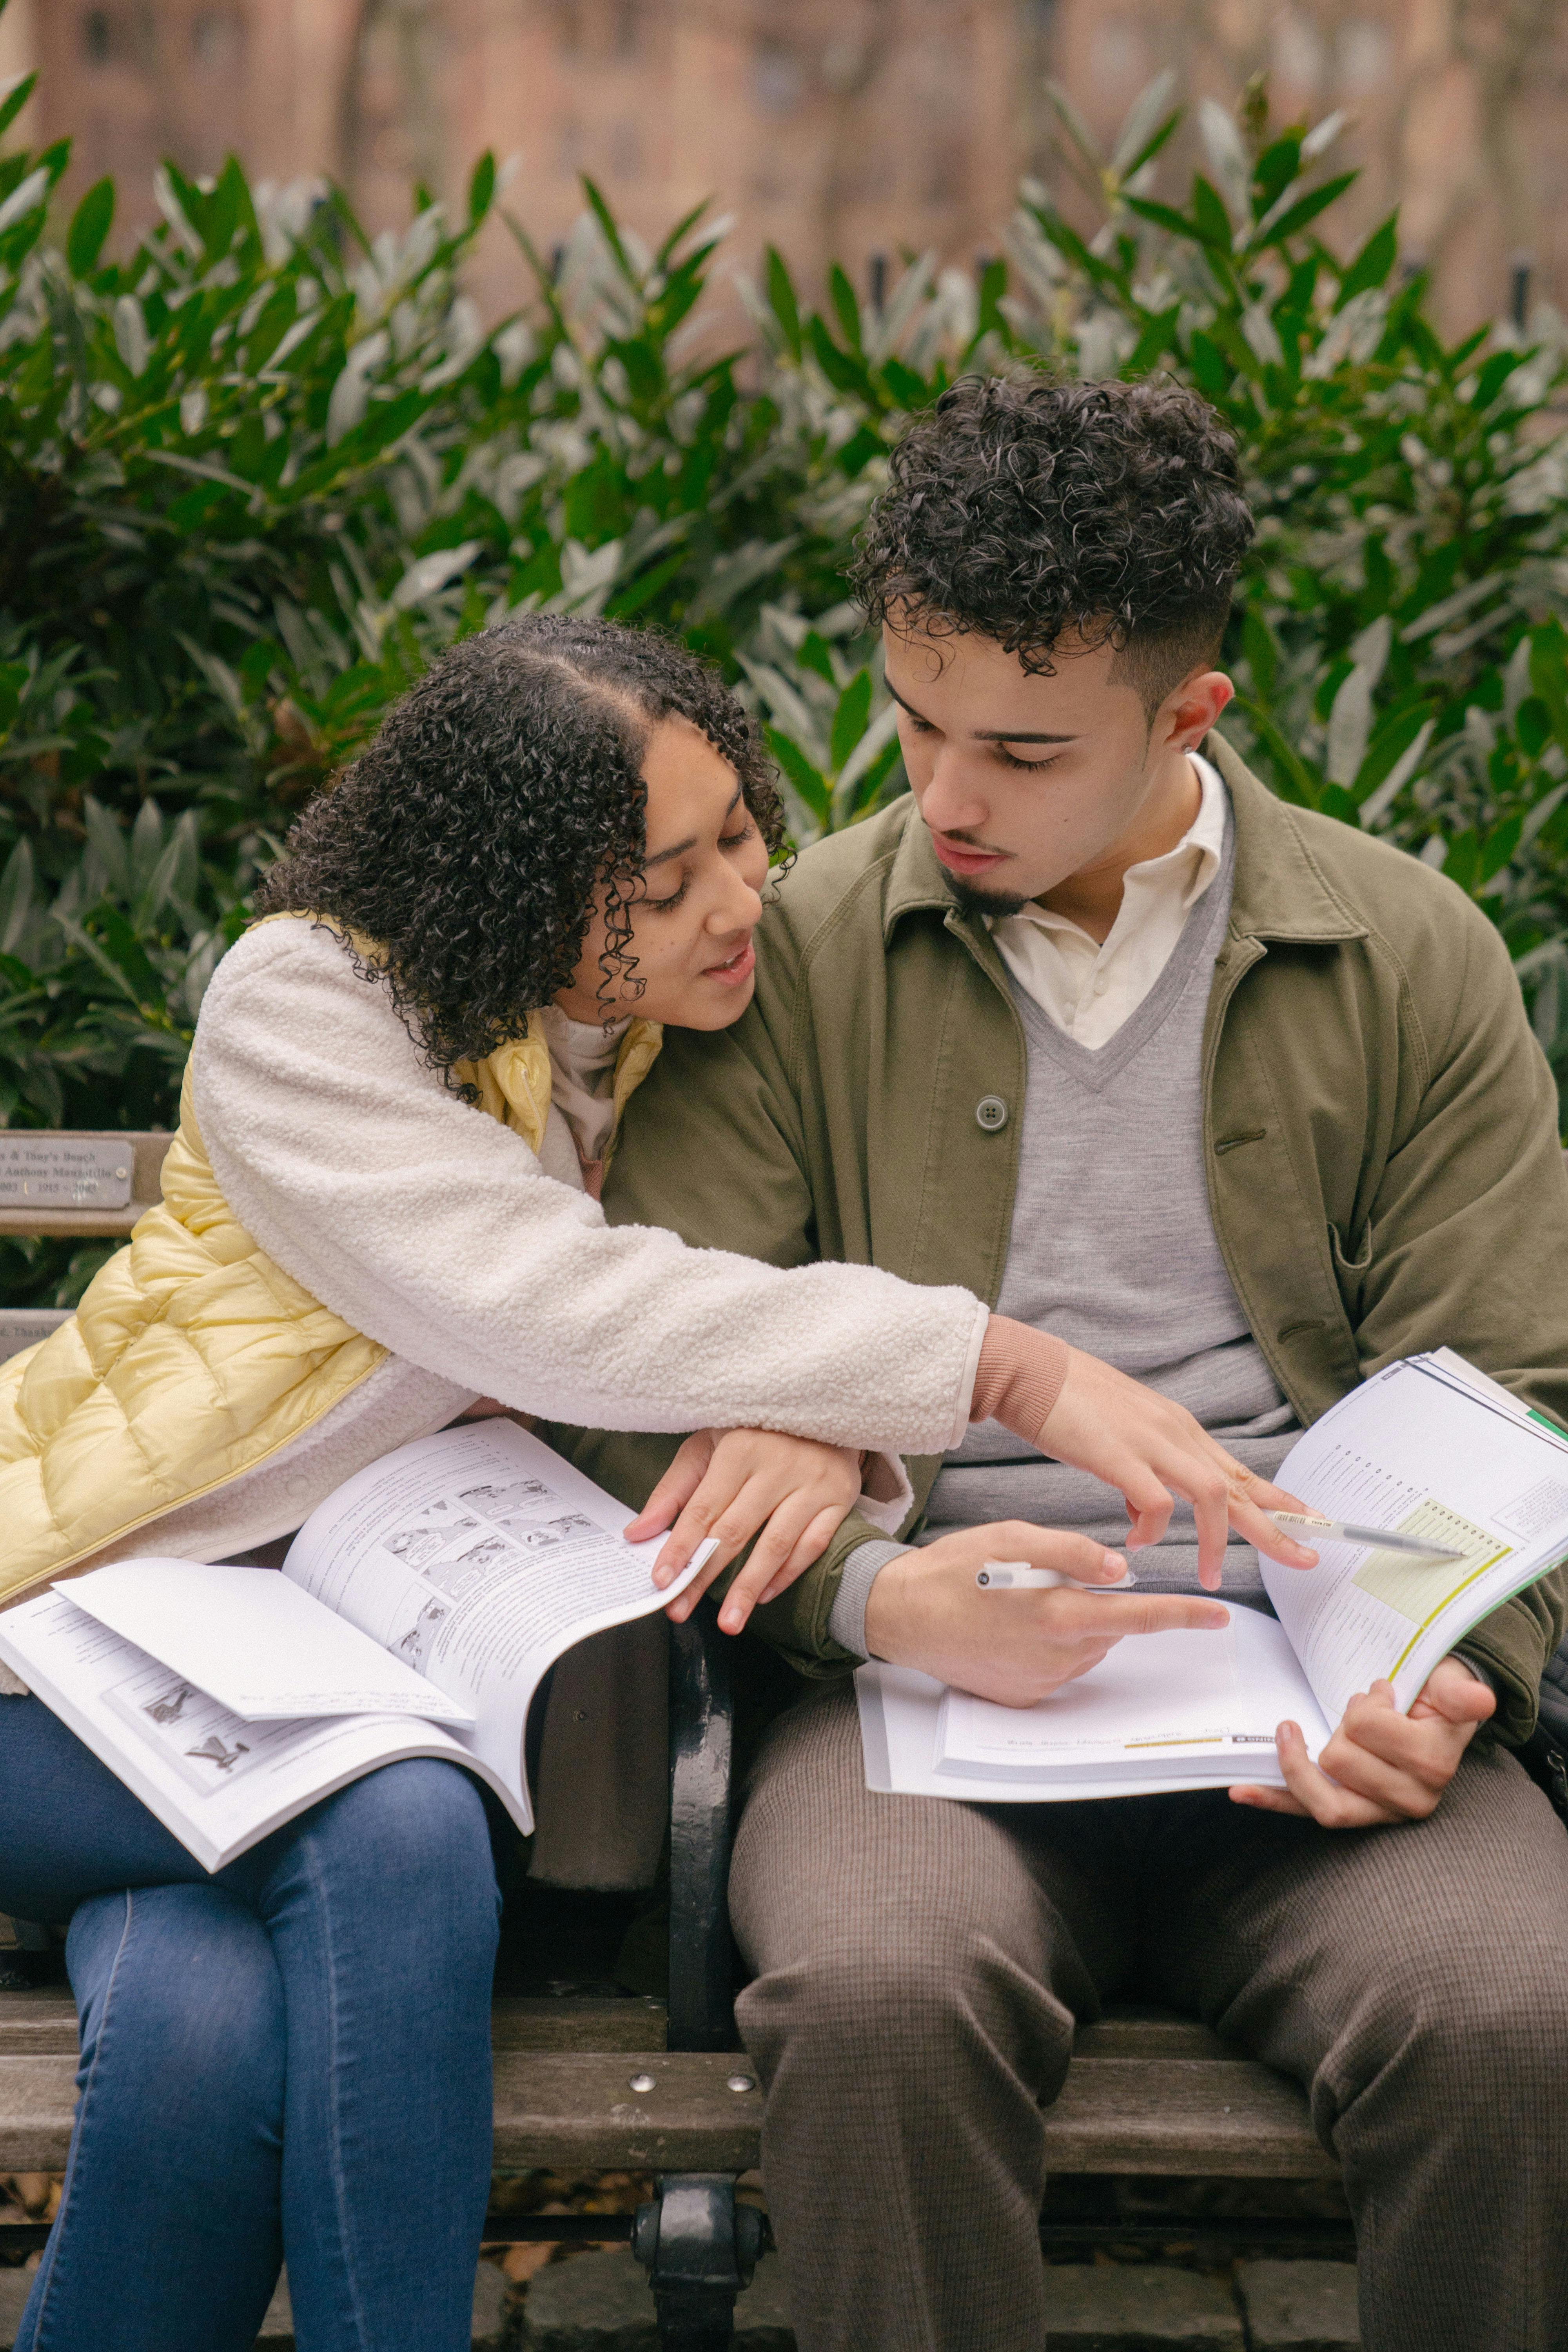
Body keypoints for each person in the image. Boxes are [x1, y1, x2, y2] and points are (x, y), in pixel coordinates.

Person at [0, 613, 1293, 2352]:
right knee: (390, 1833)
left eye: (741, 839)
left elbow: (759, 1286)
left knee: (198, 2028)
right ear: (512, 892)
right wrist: (997, 1366)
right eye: (659, 885)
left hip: (328, 1675)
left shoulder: (679, 1033)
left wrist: (812, 1416)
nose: (734, 906)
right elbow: (558, 1303)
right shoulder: (307, 1005)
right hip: (68, 1645)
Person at [567, 379, 1568, 2352]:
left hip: (1311, 1699)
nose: (943, 793)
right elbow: (636, 1376)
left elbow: (1505, 1381)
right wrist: (875, 1598)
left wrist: (1443, 1675)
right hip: (918, 1711)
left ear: (1189, 717)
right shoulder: (803, 955)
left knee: (1515, 2010)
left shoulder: (1405, 951)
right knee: (871, 2000)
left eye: (1021, 751)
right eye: (915, 720)